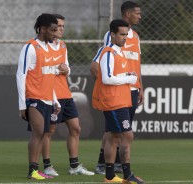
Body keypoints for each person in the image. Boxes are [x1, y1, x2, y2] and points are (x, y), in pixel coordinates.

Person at [90, 0, 144, 175]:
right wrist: (108, 87)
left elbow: (136, 65)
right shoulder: (111, 37)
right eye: (137, 13)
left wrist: (140, 86)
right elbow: (98, 65)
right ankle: (103, 164)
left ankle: (119, 165)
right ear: (127, 14)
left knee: (123, 130)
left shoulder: (135, 37)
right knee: (113, 130)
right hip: (117, 91)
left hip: (132, 90)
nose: (140, 16)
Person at [41, 14, 94, 176]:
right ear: (50, 28)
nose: (61, 29)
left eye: (63, 26)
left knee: (76, 128)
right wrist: (58, 70)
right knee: (49, 131)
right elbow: (40, 73)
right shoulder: (41, 47)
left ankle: (74, 166)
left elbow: (67, 68)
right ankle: (48, 166)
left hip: (65, 93)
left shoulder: (63, 45)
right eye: (58, 26)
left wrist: (66, 70)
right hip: (50, 95)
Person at [16, 13, 61, 180]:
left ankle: (36, 170)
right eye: (52, 30)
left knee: (43, 133)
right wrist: (22, 104)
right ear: (42, 29)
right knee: (38, 131)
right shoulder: (30, 47)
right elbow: (21, 75)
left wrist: (55, 99)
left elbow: (49, 75)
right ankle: (32, 171)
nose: (56, 33)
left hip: (48, 98)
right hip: (33, 97)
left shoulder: (49, 48)